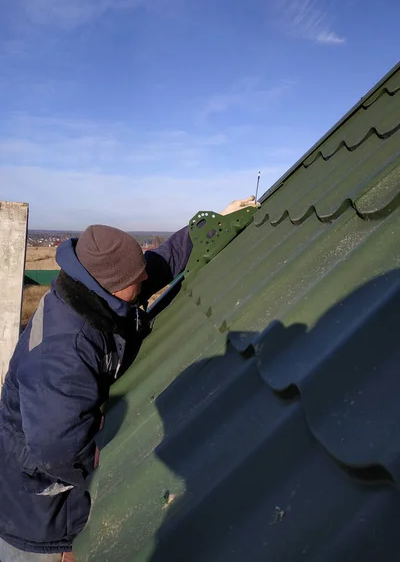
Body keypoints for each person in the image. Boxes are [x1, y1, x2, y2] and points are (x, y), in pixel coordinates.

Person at [0, 197, 257, 561]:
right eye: (137, 280)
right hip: (38, 511)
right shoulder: (63, 353)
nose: (145, 280)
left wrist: (213, 225)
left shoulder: (93, 288)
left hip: (48, 465)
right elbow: (59, 450)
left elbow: (158, 263)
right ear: (113, 287)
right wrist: (122, 463)